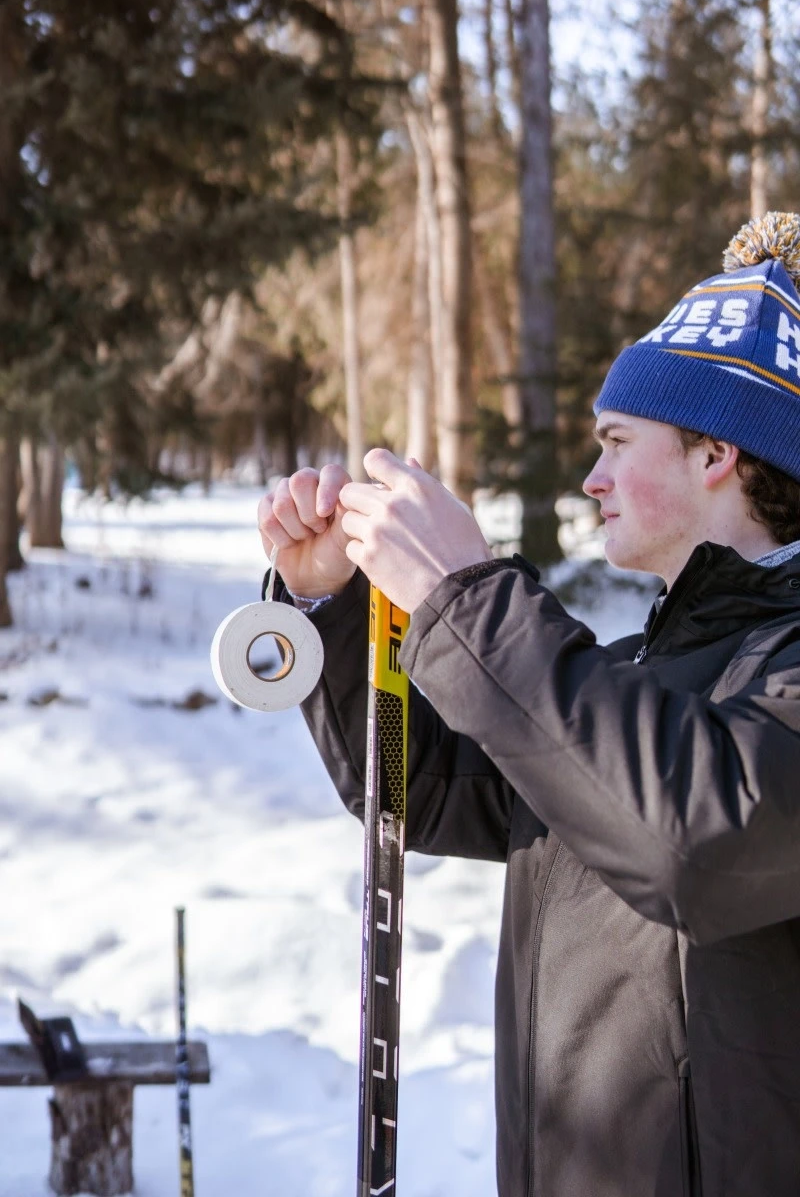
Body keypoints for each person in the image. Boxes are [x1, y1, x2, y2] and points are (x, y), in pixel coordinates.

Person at [257, 211, 800, 1197]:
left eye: (614, 440)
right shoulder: (624, 677)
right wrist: (332, 606)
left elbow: (689, 841)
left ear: (713, 454)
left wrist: (468, 595)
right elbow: (422, 783)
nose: (590, 475)